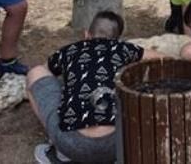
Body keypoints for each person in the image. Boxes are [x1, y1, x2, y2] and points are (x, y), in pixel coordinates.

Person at [27, 11, 162, 164]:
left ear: (86, 34)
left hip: (71, 144)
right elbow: (162, 58)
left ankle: (60, 153)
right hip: (119, 144)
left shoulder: (70, 50)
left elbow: (45, 73)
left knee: (35, 72)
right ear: (117, 39)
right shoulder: (123, 49)